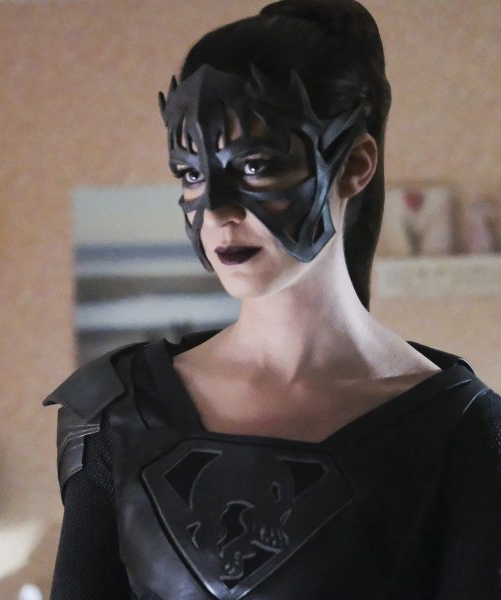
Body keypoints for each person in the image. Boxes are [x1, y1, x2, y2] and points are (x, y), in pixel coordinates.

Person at [45, 1, 501, 598]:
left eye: (256, 166)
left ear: (356, 165)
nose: (218, 210)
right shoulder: (115, 412)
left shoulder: (464, 432)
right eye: (191, 173)